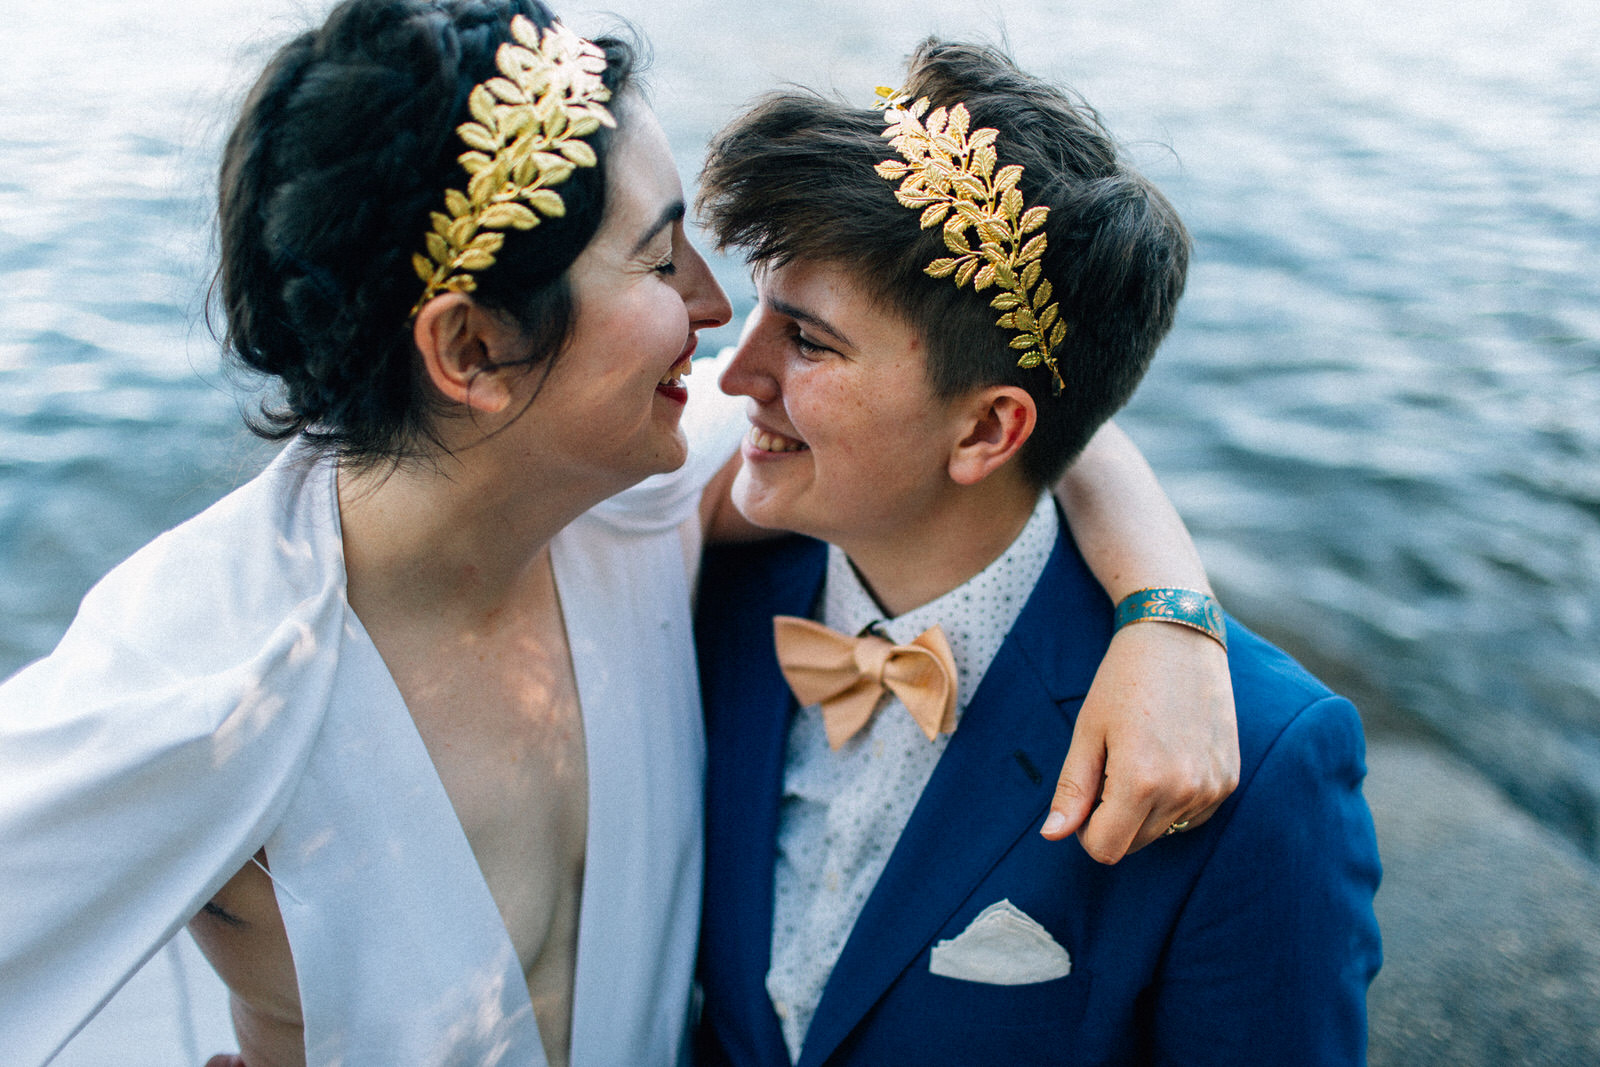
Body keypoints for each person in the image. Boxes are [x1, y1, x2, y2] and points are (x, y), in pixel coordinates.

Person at [0, 4, 1233, 1066]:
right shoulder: (209, 675)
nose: (713, 309)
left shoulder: (631, 503)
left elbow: (1001, 414)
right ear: (472, 348)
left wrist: (1169, 617)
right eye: (659, 262)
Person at [692, 40, 1383, 1066]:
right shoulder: (714, 588)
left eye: (807, 340)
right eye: (758, 304)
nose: (731, 373)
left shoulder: (1256, 768)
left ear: (985, 432)